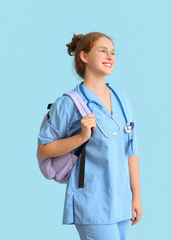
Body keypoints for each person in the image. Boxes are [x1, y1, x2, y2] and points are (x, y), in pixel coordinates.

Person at [37, 32, 143, 240]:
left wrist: (136, 196)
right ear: (84, 56)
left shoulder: (121, 99)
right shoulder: (68, 103)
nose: (110, 57)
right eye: (102, 51)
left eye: (112, 52)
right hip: (92, 203)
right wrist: (81, 137)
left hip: (121, 201)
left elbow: (132, 150)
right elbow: (44, 149)